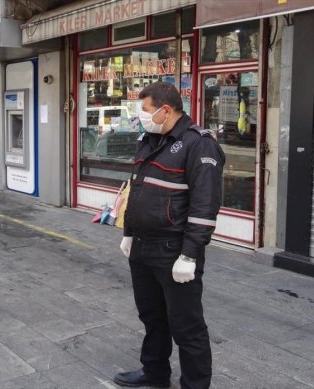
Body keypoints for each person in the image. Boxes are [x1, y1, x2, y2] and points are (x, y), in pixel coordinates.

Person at [114, 82, 225, 389]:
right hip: (143, 248)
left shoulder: (199, 145)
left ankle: (195, 384)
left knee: (187, 327)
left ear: (166, 110)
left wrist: (189, 255)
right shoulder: (150, 139)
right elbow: (137, 187)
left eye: (146, 110)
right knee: (152, 316)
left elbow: (205, 206)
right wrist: (129, 232)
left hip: (173, 250)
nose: (141, 116)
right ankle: (154, 373)